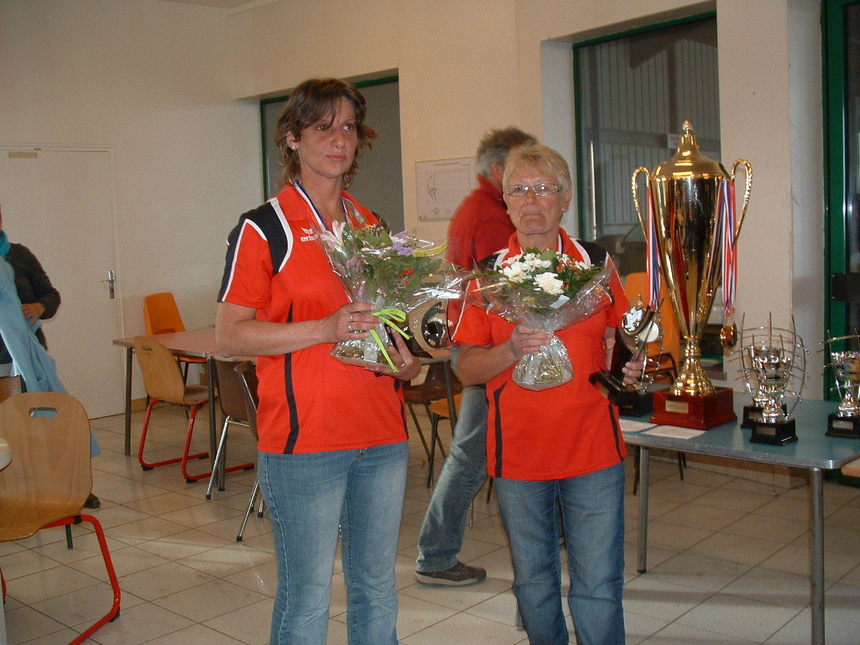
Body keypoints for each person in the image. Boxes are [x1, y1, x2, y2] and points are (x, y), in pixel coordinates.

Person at [215, 78, 421, 645]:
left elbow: (389, 326)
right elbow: (230, 336)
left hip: (381, 435)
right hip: (305, 445)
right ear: (292, 137)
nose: (339, 140)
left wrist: (407, 361)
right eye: (323, 127)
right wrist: (323, 329)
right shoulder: (265, 227)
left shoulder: (371, 227)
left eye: (349, 127)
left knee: (378, 588)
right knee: (306, 599)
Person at [455, 144, 642, 645]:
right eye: (520, 190)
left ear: (565, 200)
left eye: (545, 189)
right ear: (506, 201)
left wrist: (633, 351)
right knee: (534, 584)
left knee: (599, 584)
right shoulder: (488, 277)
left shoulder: (597, 265)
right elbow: (467, 369)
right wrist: (511, 348)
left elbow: (624, 337)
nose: (532, 201)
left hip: (593, 450)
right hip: (517, 454)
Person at [415, 126, 537, 586]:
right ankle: (436, 556)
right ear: (501, 170)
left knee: (472, 453)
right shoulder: (489, 216)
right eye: (524, 169)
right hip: (486, 349)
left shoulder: (479, 207)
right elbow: (503, 294)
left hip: (480, 344)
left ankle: (436, 554)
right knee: (471, 457)